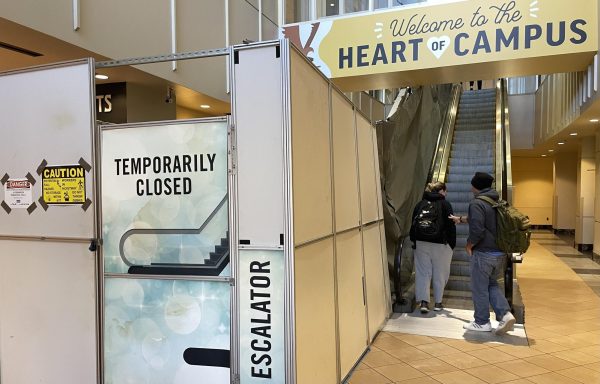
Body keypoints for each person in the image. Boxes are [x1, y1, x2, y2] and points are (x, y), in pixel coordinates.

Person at [463, 172, 516, 334]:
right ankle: (505, 314)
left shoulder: (477, 203)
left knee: (479, 288)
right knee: (492, 284)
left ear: (475, 185)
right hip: (500, 253)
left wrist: (469, 245)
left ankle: (482, 322)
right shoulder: (497, 201)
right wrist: (462, 219)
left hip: (483, 253)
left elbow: (478, 230)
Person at [409, 182, 456, 314]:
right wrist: (451, 245)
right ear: (442, 191)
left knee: (423, 272)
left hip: (421, 243)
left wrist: (414, 241)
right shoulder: (445, 204)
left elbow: (413, 223)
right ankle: (438, 303)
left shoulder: (420, 204)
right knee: (440, 273)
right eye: (445, 191)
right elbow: (451, 226)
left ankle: (424, 302)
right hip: (440, 244)